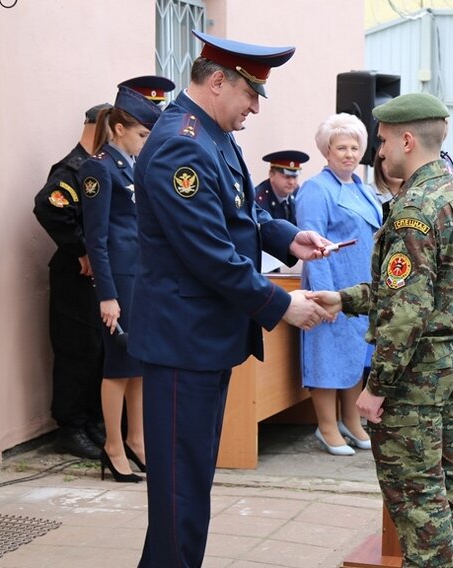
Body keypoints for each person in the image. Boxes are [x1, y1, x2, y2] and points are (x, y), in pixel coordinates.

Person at [130, 31, 333, 567]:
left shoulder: (212, 137)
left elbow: (238, 217)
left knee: (189, 483)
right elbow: (208, 252)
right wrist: (280, 305)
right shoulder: (181, 143)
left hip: (203, 340)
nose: (254, 109)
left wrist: (286, 237)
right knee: (180, 490)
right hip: (183, 343)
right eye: (251, 95)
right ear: (218, 81)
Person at [310, 92, 453, 568]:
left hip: (415, 378)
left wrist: (377, 386)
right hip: (449, 361)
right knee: (444, 484)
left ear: (407, 139)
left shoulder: (414, 210)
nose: (378, 152)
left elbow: (407, 312)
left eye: (383, 141)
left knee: (415, 500)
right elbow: (427, 289)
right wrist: (343, 298)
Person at [79, 81, 167, 482]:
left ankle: (137, 439)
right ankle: (113, 445)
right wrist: (107, 296)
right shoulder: (98, 168)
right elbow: (96, 239)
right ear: (118, 130)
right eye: (142, 134)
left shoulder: (132, 166)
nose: (145, 141)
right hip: (119, 280)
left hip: (140, 279)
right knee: (118, 365)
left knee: (139, 362)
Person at [294, 114, 381, 456]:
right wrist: (321, 295)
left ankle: (352, 419)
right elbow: (315, 246)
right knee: (327, 356)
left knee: (357, 356)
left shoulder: (363, 188)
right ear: (326, 152)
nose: (349, 153)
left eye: (354, 147)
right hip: (331, 286)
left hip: (361, 290)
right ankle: (327, 425)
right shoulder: (316, 189)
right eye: (341, 147)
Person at [33, 103, 111, 459]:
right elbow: (49, 206)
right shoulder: (73, 167)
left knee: (98, 349)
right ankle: (71, 426)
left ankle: (94, 419)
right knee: (77, 350)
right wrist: (80, 250)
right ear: (99, 127)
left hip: (97, 277)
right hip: (74, 276)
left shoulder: (99, 165)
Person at [255, 149, 308, 224]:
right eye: (286, 177)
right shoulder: (258, 199)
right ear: (271, 175)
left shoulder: (298, 194)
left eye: (295, 177)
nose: (291, 182)